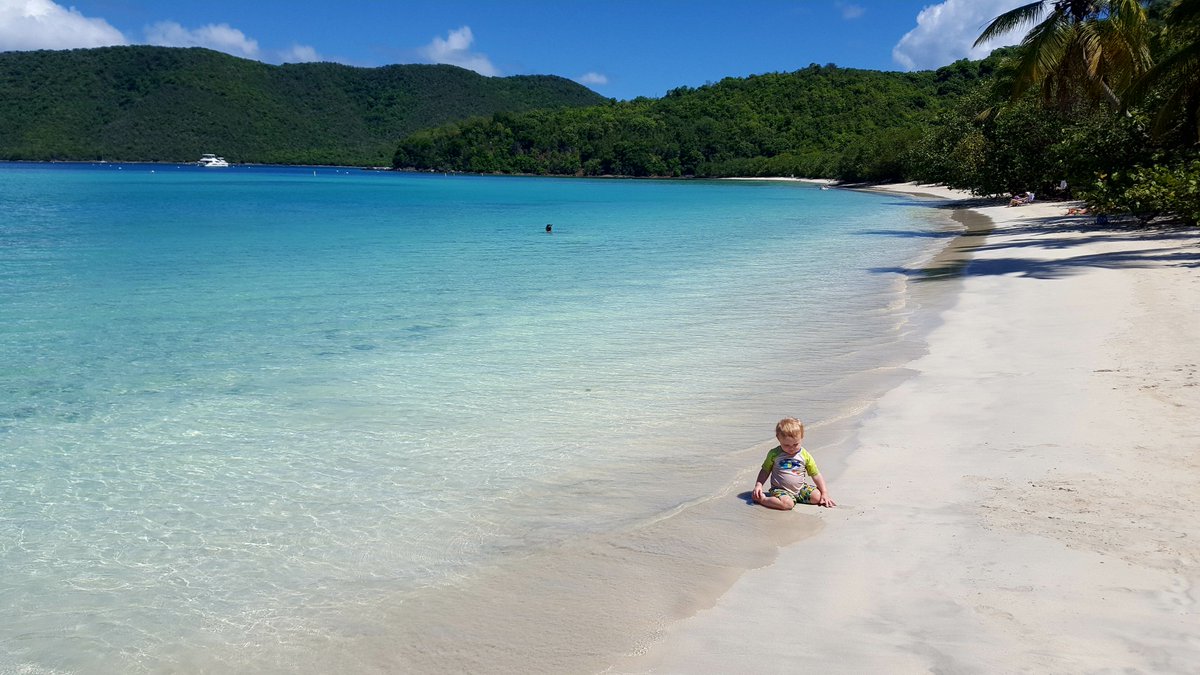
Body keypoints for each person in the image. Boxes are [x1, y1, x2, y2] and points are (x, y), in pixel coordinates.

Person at [752, 417, 836, 509]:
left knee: (817, 497)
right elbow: (765, 470)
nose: (791, 448)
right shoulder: (774, 454)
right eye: (786, 445)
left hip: (800, 489)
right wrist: (758, 485)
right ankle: (763, 500)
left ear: (801, 437)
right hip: (780, 490)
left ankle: (796, 498)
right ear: (778, 439)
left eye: (795, 444)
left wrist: (825, 493)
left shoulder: (805, 455)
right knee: (788, 504)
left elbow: (815, 474)